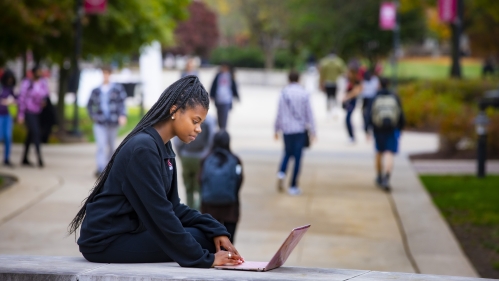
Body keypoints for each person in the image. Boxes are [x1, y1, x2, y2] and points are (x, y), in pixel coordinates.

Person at [69, 76, 244, 267]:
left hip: (128, 232)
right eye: (195, 121)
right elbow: (161, 215)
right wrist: (206, 259)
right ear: (174, 110)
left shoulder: (164, 147)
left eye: (200, 123)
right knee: (202, 241)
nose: (199, 129)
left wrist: (216, 229)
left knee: (205, 235)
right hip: (105, 241)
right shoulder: (143, 149)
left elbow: (173, 207)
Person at [275, 71, 316, 196]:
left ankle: (281, 172)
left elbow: (279, 113)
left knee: (287, 153)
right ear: (299, 79)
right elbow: (309, 113)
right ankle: (293, 186)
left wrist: (276, 129)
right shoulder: (304, 93)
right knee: (298, 158)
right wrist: (313, 130)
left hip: (286, 129)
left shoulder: (284, 93)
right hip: (299, 130)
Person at [200, 130, 243, 243]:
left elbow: (200, 180)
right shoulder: (235, 160)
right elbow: (239, 181)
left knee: (211, 243)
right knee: (229, 241)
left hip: (209, 208)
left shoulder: (205, 160)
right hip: (230, 208)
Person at [87, 66, 128, 177]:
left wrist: (122, 115)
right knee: (101, 145)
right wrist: (94, 116)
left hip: (113, 122)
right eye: (103, 73)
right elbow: (89, 105)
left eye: (107, 73)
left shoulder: (117, 89)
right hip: (100, 122)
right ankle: (101, 168)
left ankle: (109, 168)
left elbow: (122, 103)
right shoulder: (96, 90)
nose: (105, 76)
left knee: (111, 146)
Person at [367, 77, 405, 191]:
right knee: (389, 153)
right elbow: (401, 114)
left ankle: (379, 176)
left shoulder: (374, 97)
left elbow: (368, 114)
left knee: (379, 152)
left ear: (379, 84)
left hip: (378, 129)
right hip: (392, 128)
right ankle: (386, 177)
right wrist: (401, 128)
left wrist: (367, 129)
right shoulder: (394, 97)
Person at [174, 114, 216, 210]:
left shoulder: (185, 117)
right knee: (200, 188)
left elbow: (177, 141)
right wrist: (206, 154)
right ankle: (197, 211)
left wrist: (181, 155)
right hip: (201, 156)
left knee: (188, 188)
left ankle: (189, 210)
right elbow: (211, 139)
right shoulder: (208, 119)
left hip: (186, 156)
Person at [18, 66, 50, 167]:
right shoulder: (27, 83)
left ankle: (24, 159)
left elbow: (46, 95)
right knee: (36, 133)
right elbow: (22, 99)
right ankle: (39, 159)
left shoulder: (43, 83)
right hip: (28, 111)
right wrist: (21, 114)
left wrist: (44, 102)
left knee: (31, 135)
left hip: (38, 112)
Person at [209, 63, 239, 130]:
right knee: (219, 115)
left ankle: (223, 129)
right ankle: (220, 128)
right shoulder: (218, 76)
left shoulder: (230, 76)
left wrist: (237, 96)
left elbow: (234, 87)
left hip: (227, 99)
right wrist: (212, 95)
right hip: (218, 98)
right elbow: (213, 86)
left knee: (224, 115)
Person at [319, 51, 346, 115]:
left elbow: (322, 74)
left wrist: (320, 82)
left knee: (328, 97)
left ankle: (329, 111)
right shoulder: (339, 62)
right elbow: (342, 72)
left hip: (328, 82)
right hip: (335, 82)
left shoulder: (324, 62)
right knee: (334, 96)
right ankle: (334, 110)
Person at [0, 69, 17, 167]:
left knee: (8, 136)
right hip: (0, 114)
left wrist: (13, 101)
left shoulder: (12, 89)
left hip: (8, 114)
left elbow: (16, 98)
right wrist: (4, 101)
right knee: (0, 135)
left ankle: (6, 158)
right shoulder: (1, 87)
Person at [342, 68, 363, 143]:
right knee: (347, 119)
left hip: (352, 101)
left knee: (348, 119)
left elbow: (357, 91)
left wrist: (348, 96)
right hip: (349, 101)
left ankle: (352, 136)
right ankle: (351, 136)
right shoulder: (348, 80)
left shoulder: (357, 81)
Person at [360, 70, 380, 137]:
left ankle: (367, 125)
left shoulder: (367, 81)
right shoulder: (374, 80)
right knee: (368, 112)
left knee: (366, 112)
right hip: (370, 97)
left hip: (367, 97)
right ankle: (368, 124)